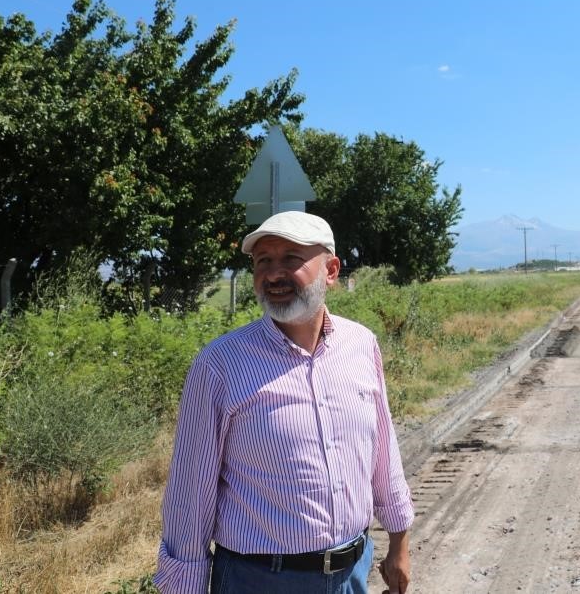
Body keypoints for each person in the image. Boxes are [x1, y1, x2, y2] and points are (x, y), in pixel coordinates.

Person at [154, 211, 414, 594]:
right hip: (258, 580)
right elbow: (190, 494)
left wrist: (399, 543)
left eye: (291, 259)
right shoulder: (221, 364)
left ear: (331, 270)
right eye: (263, 261)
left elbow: (382, 454)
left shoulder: (360, 345)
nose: (274, 274)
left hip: (352, 573)